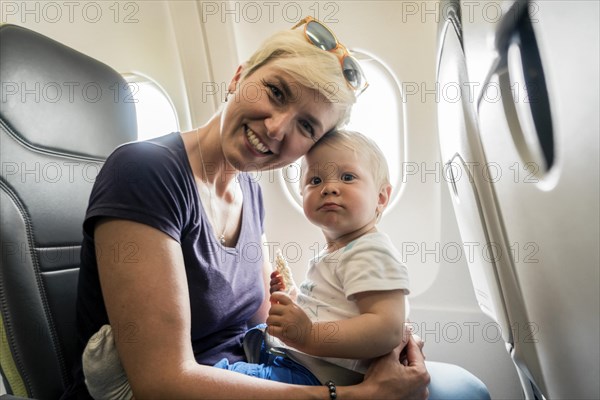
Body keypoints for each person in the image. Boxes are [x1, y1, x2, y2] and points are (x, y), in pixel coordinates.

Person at [62, 15, 486, 400]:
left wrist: (377, 345)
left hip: (252, 367)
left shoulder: (251, 191)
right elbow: (161, 383)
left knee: (464, 389)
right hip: (185, 389)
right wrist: (355, 396)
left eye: (306, 125)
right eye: (276, 91)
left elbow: (268, 319)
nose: (277, 128)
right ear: (239, 75)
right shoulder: (145, 172)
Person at [215, 129, 409, 387]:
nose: (329, 188)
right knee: (251, 339)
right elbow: (334, 309)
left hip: (321, 375)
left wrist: (308, 335)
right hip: (305, 362)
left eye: (347, 177)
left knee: (219, 377)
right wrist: (293, 301)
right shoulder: (338, 251)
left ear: (381, 197)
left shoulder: (370, 251)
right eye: (315, 181)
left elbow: (387, 329)